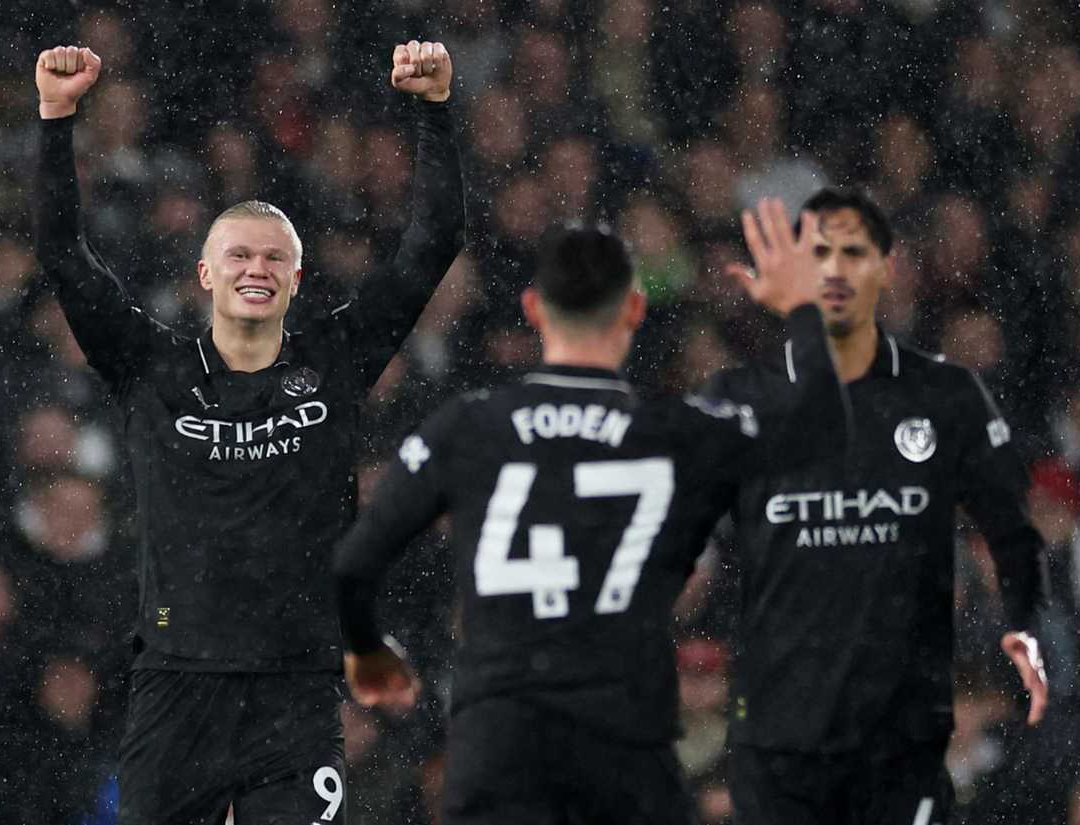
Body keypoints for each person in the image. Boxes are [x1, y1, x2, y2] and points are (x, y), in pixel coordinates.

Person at [32, 40, 463, 824]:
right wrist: (57, 119)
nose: (255, 266)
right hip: (175, 688)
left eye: (274, 256)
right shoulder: (150, 365)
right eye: (237, 253)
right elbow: (64, 253)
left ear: (296, 280)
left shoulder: (334, 359)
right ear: (205, 272)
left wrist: (433, 111)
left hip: (294, 692)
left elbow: (430, 245)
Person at [333, 201, 838, 824]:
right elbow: (817, 423)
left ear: (534, 310)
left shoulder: (468, 426)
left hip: (500, 741)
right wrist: (804, 311)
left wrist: (366, 650)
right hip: (623, 743)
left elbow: (353, 566)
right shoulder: (681, 433)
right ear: (633, 309)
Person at [699, 188, 1048, 825]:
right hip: (777, 737)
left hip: (900, 736)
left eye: (853, 252)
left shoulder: (944, 394)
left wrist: (1021, 631)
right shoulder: (740, 397)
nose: (833, 269)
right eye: (817, 253)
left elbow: (1013, 534)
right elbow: (689, 550)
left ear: (889, 267)